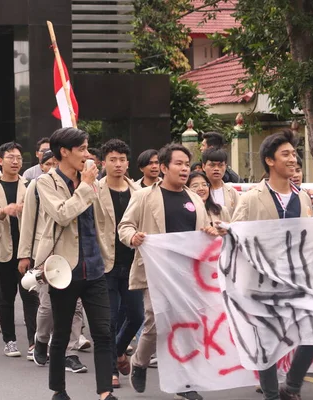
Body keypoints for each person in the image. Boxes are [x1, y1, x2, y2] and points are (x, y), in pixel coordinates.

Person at [118, 143, 219, 400]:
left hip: (188, 273)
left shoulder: (195, 199)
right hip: (156, 271)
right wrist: (134, 237)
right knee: (156, 322)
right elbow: (124, 227)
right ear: (163, 168)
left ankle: (184, 383)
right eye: (178, 164)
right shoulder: (143, 196)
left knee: (186, 325)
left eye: (187, 164)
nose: (184, 169)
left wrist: (209, 230)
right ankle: (140, 362)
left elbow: (205, 230)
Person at [32, 127, 117, 400]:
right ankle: (59, 389)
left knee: (103, 331)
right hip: (63, 270)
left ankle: (105, 391)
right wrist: (85, 187)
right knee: (62, 333)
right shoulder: (46, 182)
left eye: (87, 148)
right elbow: (61, 214)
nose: (87, 154)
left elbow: (104, 218)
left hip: (94, 267)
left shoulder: (93, 180)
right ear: (64, 152)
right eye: (81, 149)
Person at [232, 129, 313, 400]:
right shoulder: (251, 197)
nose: (293, 159)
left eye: (294, 154)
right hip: (261, 280)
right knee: (265, 342)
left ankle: (291, 385)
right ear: (269, 160)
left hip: (297, 278)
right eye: (286, 154)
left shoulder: (302, 198)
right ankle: (271, 394)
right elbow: (235, 233)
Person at [18, 147, 89, 371]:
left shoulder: (84, 182)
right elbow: (28, 221)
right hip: (49, 254)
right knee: (48, 305)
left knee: (75, 306)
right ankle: (40, 339)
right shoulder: (39, 185)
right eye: (47, 164)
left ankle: (70, 352)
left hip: (78, 255)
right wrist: (25, 254)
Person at [94, 139, 143, 389]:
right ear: (103, 163)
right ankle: (111, 368)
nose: (118, 164)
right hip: (105, 264)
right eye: (112, 159)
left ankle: (120, 349)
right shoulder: (94, 190)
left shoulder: (138, 191)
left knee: (136, 316)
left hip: (133, 263)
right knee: (109, 318)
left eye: (122, 159)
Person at [0, 142, 39, 359]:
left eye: (18, 157)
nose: (15, 161)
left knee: (31, 297)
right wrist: (3, 211)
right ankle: (10, 340)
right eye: (10, 157)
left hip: (27, 250)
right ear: (0, 161)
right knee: (6, 298)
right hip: (2, 250)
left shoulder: (31, 184)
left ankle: (34, 343)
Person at [202, 148, 240, 217]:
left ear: (225, 166)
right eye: (212, 165)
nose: (216, 169)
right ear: (203, 167)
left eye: (220, 165)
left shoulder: (232, 193)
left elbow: (239, 217)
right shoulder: (199, 191)